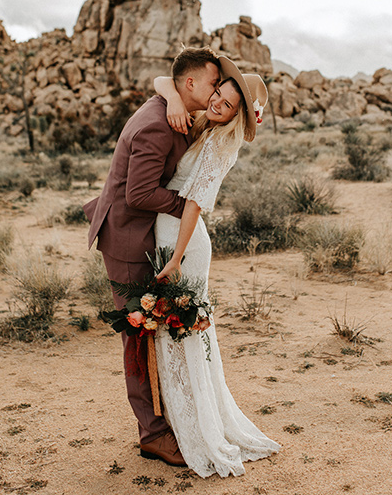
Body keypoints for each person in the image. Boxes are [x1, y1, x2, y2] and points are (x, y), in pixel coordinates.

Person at [83, 46, 221, 467]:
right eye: (213, 83)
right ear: (191, 83)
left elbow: (167, 80)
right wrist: (190, 204)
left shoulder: (173, 105)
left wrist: (174, 93)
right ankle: (152, 435)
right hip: (127, 240)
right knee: (138, 335)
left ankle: (164, 420)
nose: (216, 91)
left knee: (154, 330)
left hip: (143, 235)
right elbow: (139, 193)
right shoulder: (157, 126)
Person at [152, 57, 280, 478]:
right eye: (218, 95)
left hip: (184, 241)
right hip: (173, 232)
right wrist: (172, 95)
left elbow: (194, 203)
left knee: (182, 331)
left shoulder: (222, 143)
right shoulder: (206, 122)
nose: (218, 104)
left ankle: (196, 428)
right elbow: (158, 80)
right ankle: (182, 419)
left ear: (241, 113)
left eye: (228, 103)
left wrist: (175, 258)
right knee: (176, 333)